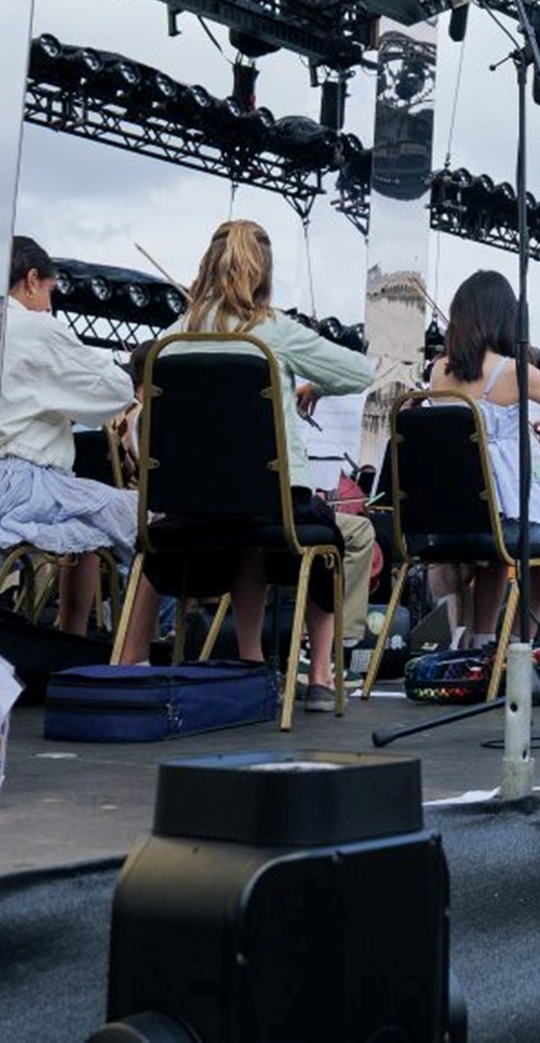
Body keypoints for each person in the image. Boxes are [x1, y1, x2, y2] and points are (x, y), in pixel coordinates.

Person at [166, 220, 378, 713]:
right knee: (326, 535)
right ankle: (322, 677)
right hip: (272, 496)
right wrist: (314, 384)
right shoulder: (273, 330)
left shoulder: (175, 334)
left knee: (249, 541)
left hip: (192, 504)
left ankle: (251, 665)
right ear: (264, 273)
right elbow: (361, 372)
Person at [0, 236, 156, 653]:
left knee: (84, 528)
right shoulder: (35, 327)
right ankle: (133, 657)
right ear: (31, 280)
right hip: (18, 483)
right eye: (49, 291)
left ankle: (72, 641)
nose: (50, 304)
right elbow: (115, 389)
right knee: (148, 524)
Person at [427, 269, 540, 650]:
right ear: (506, 318)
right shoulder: (514, 372)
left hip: (447, 524)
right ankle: (517, 649)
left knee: (495, 546)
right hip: (498, 525)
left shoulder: (439, 371)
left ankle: (481, 642)